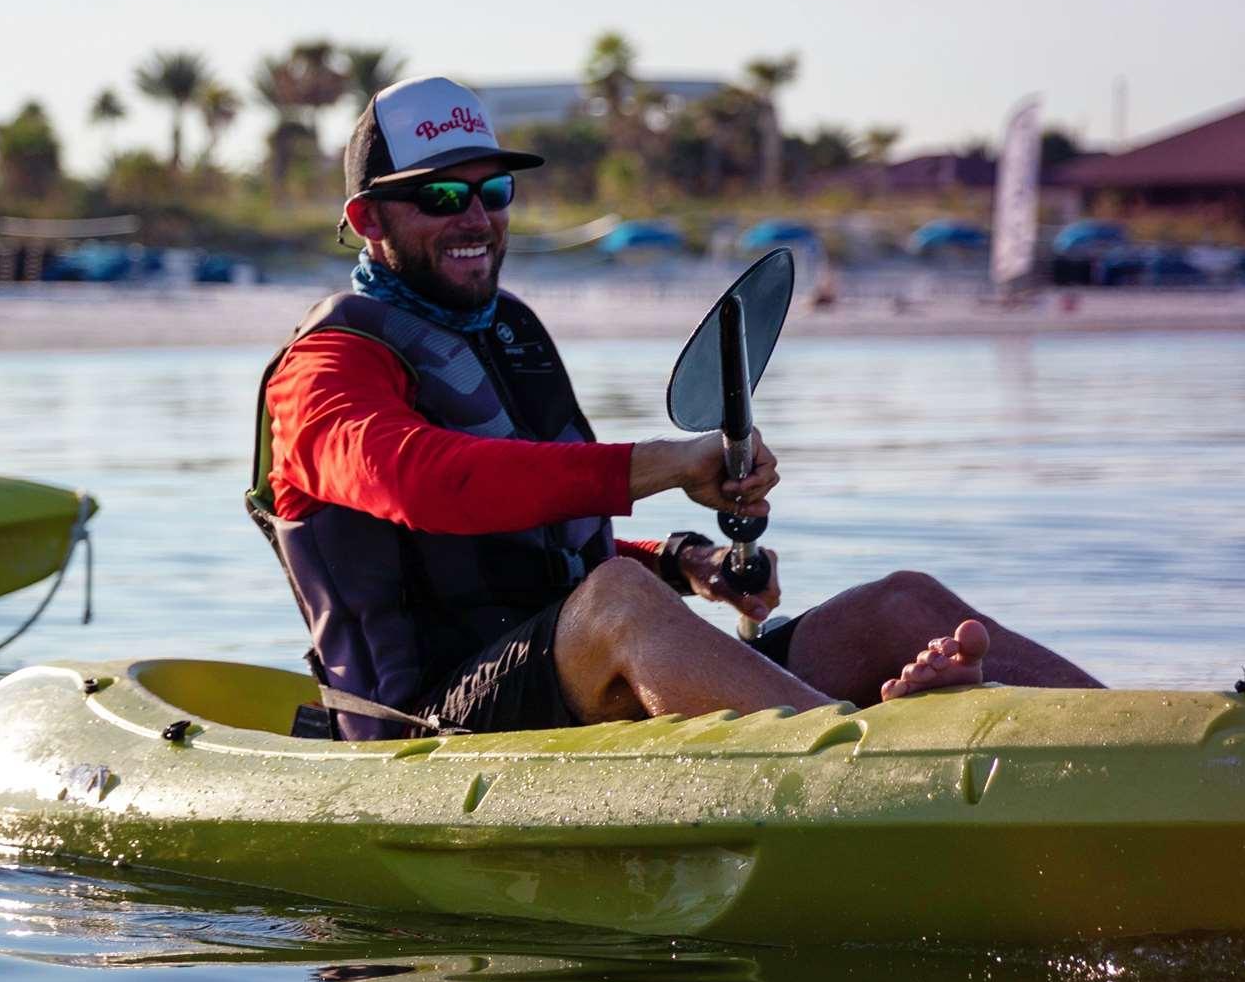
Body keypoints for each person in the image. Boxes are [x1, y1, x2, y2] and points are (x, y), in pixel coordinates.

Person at [249, 75, 1106, 736]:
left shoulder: (504, 331)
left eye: (493, 191)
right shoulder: (323, 370)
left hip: (569, 672)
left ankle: (1152, 738)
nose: (474, 214)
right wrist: (665, 466)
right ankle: (870, 751)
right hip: (424, 727)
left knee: (902, 603)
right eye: (440, 196)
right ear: (368, 220)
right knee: (618, 602)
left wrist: (684, 560)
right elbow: (430, 488)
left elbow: (524, 546)